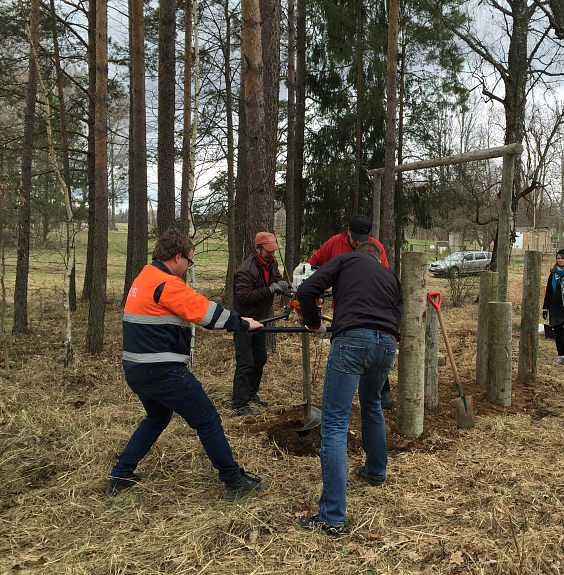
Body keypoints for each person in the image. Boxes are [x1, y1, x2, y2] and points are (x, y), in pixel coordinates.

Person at [107, 228, 269, 501]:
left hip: (136, 369)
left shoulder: (144, 277)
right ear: (178, 257)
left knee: (158, 417)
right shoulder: (166, 283)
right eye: (189, 262)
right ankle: (233, 479)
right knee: (207, 419)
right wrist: (243, 323)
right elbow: (204, 311)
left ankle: (121, 474)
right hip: (161, 370)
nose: (187, 268)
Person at [295, 242, 403, 536]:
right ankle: (376, 472)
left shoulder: (345, 261)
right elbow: (399, 313)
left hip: (353, 341)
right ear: (378, 258)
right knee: (372, 406)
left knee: (334, 424)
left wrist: (313, 323)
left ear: (358, 254)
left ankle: (331, 517)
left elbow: (305, 291)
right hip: (388, 344)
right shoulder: (390, 276)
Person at [307, 215, 395, 409]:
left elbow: (383, 276)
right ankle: (347, 390)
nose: (357, 242)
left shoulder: (376, 248)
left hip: (373, 309)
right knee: (349, 351)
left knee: (370, 350)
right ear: (348, 231)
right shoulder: (334, 244)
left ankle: (383, 391)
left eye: (362, 239)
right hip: (346, 308)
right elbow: (314, 262)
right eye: (355, 238)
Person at [230, 232, 290, 416]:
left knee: (260, 358)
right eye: (268, 251)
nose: (271, 254)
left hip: (260, 320)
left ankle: (251, 394)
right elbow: (244, 297)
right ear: (257, 249)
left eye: (273, 250)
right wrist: (270, 290)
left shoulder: (271, 263)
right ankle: (239, 403)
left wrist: (281, 284)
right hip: (243, 321)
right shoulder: (245, 270)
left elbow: (274, 279)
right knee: (245, 362)